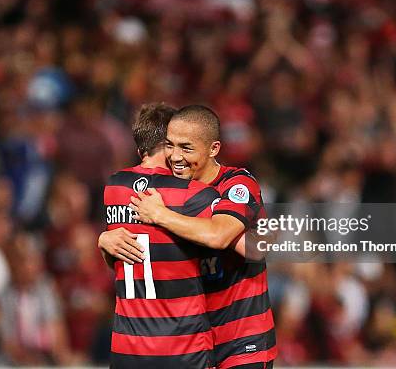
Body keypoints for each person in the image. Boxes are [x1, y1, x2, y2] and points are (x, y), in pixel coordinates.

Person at [102, 105, 277, 369]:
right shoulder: (173, 192)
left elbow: (225, 237)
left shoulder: (236, 184)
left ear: (213, 149)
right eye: (170, 146)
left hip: (242, 339)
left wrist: (160, 215)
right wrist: (104, 243)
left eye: (186, 148)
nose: (175, 156)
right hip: (197, 338)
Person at [102, 102, 221, 369]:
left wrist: (102, 241)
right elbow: (246, 245)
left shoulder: (113, 188)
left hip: (127, 349)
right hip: (184, 348)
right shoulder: (195, 195)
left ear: (139, 148)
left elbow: (120, 258)